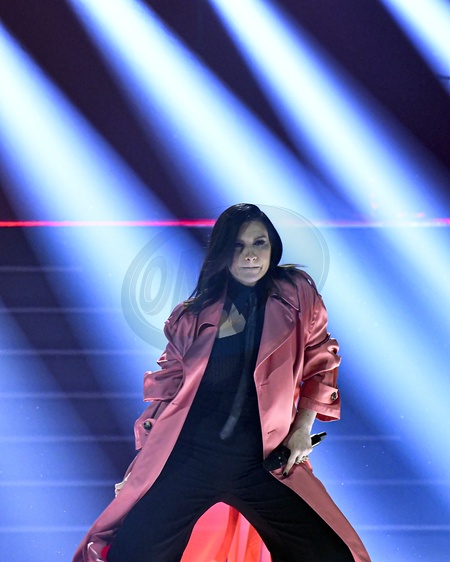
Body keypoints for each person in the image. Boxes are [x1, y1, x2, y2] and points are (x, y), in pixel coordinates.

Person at [73, 203, 371, 562]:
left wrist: (301, 429)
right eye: (238, 246)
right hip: (191, 458)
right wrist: (141, 470)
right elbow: (166, 395)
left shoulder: (296, 294)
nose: (250, 256)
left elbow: (321, 360)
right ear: (222, 252)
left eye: (259, 243)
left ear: (273, 247)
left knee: (332, 555)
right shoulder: (190, 317)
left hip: (262, 461)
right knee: (131, 554)